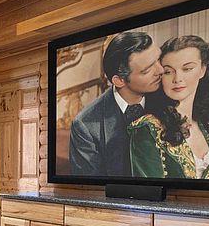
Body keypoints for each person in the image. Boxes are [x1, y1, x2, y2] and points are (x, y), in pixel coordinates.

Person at [128, 35, 209, 179]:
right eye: (168, 71)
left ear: (202, 70)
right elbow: (148, 189)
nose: (177, 79)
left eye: (187, 69)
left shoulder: (207, 126)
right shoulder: (147, 128)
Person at [68, 31, 163, 176]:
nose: (161, 70)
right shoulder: (85, 125)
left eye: (159, 59)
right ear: (119, 81)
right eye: (147, 70)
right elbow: (90, 186)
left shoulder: (170, 96)